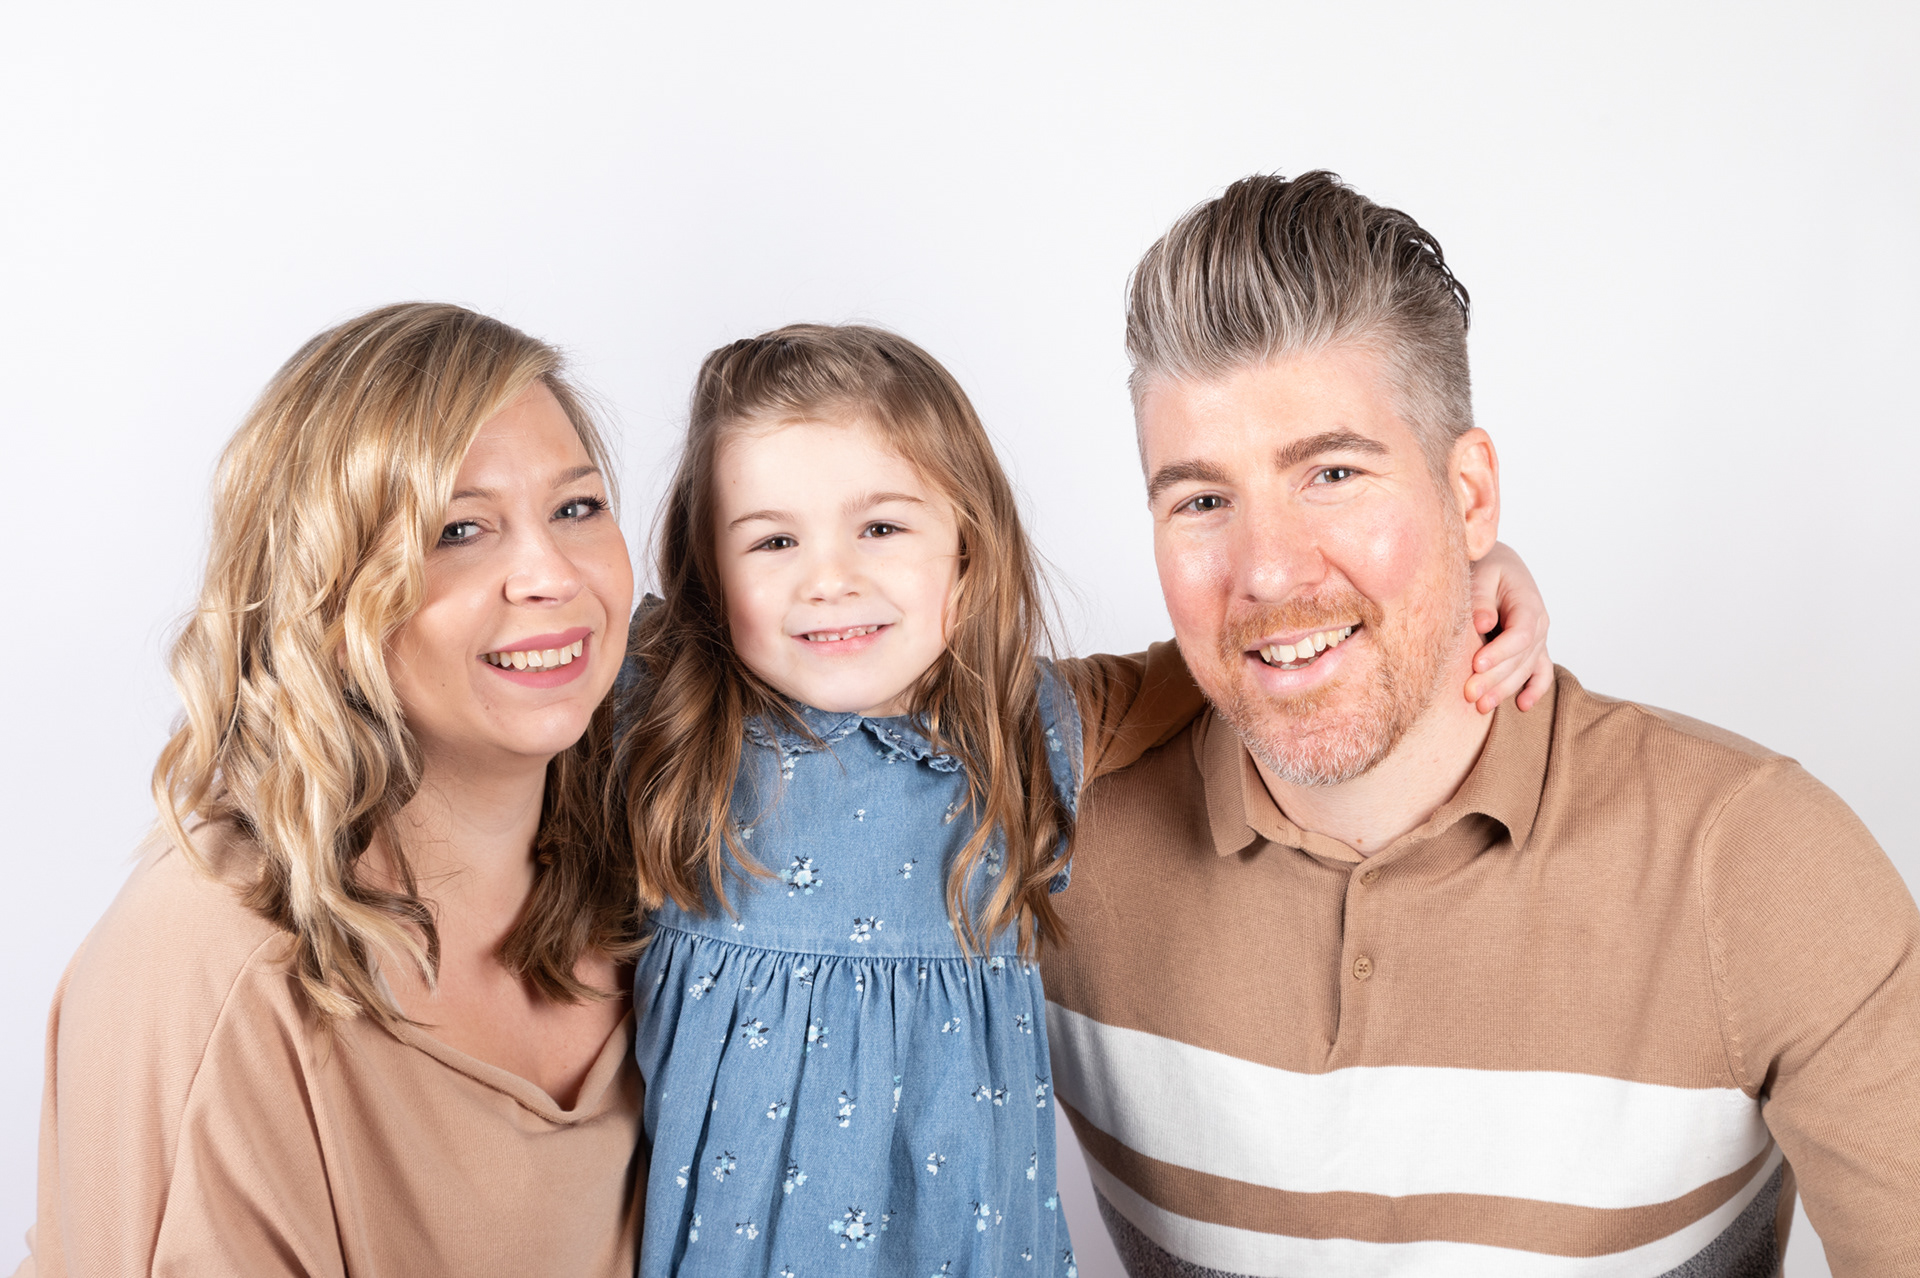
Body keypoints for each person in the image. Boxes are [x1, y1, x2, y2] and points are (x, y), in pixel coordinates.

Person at [1041, 171, 1920, 1277]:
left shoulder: (1752, 862)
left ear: (1469, 497)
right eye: (1202, 501)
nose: (1266, 570)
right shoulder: (1042, 841)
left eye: (1332, 473)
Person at [615, 324, 1550, 1276]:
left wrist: (1461, 568)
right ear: (711, 575)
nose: (829, 579)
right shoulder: (665, 724)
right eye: (773, 540)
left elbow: (1230, 657)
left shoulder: (1026, 733)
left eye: (882, 528)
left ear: (967, 554)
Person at [19, 303, 645, 1276]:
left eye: (576, 508)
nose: (551, 575)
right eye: (459, 530)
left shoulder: (665, 875)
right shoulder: (210, 957)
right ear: (327, 593)